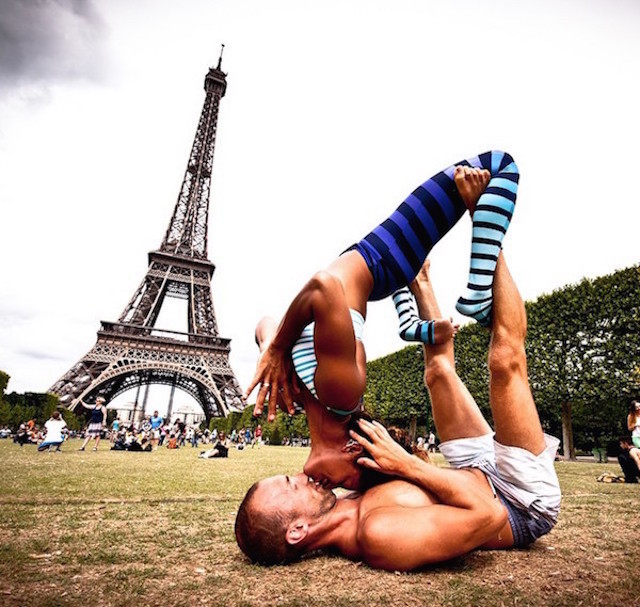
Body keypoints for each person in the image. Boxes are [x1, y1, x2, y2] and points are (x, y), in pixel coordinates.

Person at [235, 248, 561, 569]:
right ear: (297, 531)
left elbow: (266, 323)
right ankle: (491, 236)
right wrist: (405, 464)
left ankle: (419, 279)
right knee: (504, 362)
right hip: (518, 499)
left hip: (470, 469)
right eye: (291, 485)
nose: (300, 475)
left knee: (438, 373)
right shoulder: (378, 535)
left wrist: (272, 349)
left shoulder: (338, 494)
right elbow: (491, 515)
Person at [243, 152, 520, 426]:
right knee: (501, 164)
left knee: (497, 166)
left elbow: (264, 323)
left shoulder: (317, 384)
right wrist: (277, 346)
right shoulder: (340, 393)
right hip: (382, 258)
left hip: (380, 269)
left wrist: (270, 346)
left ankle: (421, 321)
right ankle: (477, 293)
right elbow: (321, 287)